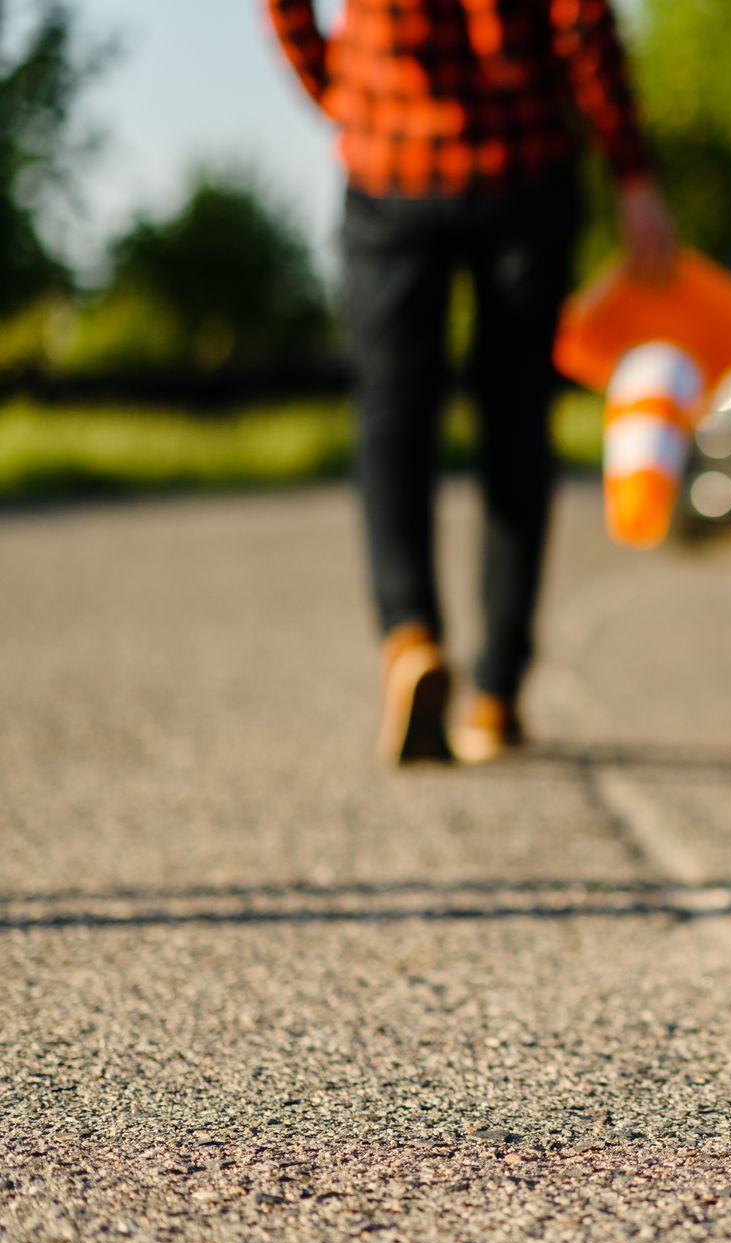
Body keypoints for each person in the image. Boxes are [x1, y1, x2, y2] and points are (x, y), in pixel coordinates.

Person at [265, 0, 675, 765]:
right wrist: (632, 169)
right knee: (516, 422)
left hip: (390, 164)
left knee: (393, 413)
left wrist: (344, 94)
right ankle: (495, 692)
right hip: (524, 166)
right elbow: (581, 20)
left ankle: (410, 633)